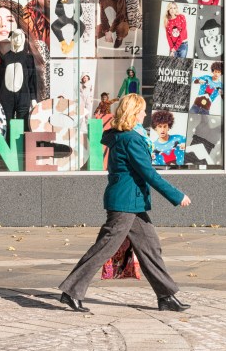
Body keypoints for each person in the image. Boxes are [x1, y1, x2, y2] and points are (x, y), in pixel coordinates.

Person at [58, 93, 191, 314]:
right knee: (104, 248)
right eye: (142, 110)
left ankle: (166, 296)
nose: (145, 114)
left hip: (133, 202)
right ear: (134, 112)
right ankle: (71, 291)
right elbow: (148, 173)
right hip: (125, 203)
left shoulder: (126, 136)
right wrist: (177, 196)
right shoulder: (131, 139)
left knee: (150, 248)